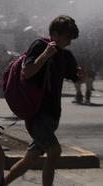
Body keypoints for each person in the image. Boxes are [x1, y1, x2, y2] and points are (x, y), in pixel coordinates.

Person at [5, 15, 84, 186]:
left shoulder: (65, 55)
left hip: (52, 115)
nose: (69, 42)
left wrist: (79, 76)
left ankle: (0, 183)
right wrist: (46, 55)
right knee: (54, 151)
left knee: (30, 159)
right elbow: (27, 72)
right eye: (67, 38)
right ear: (55, 33)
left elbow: (74, 76)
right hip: (36, 114)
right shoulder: (40, 45)